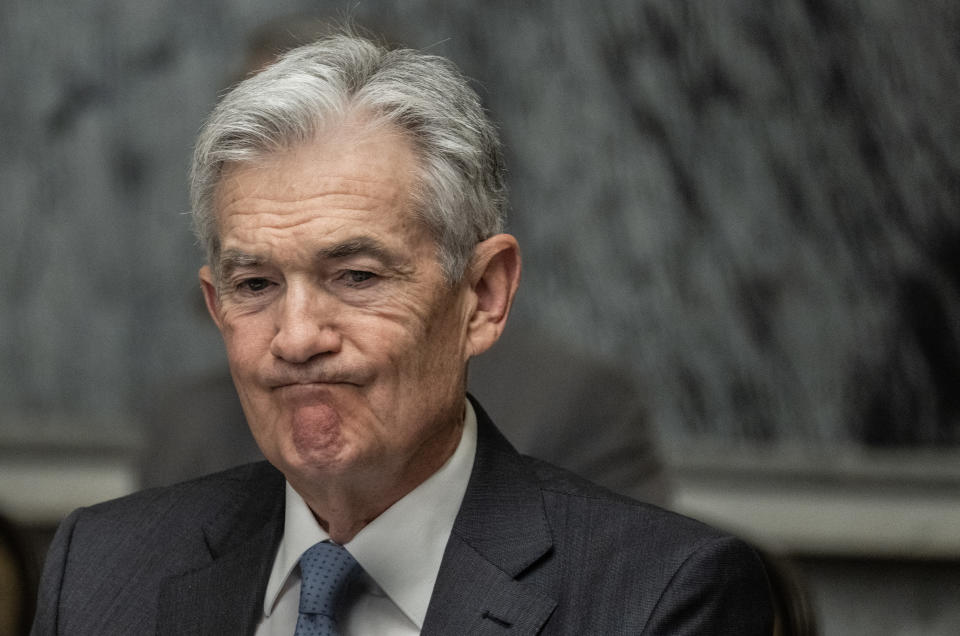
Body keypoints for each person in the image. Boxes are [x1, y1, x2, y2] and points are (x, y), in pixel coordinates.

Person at [32, 32, 772, 634]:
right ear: (214, 302)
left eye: (355, 276)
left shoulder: (658, 597)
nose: (296, 337)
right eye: (255, 286)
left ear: (481, 297)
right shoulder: (104, 568)